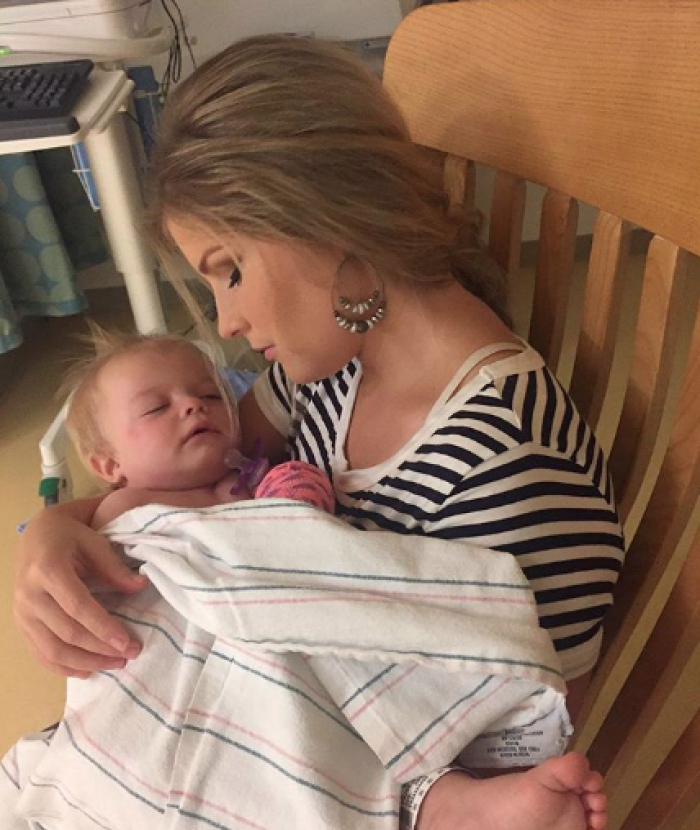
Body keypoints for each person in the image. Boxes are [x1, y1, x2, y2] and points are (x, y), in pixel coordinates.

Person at [13, 35, 623, 830]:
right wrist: (57, 532)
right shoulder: (334, 363)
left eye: (229, 269)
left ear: (320, 216)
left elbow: (505, 738)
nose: (228, 321)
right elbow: (175, 486)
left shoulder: (508, 471)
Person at [60, 327, 335, 530]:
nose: (193, 404)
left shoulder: (255, 480)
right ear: (109, 464)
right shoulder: (125, 509)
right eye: (156, 407)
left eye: (211, 395)